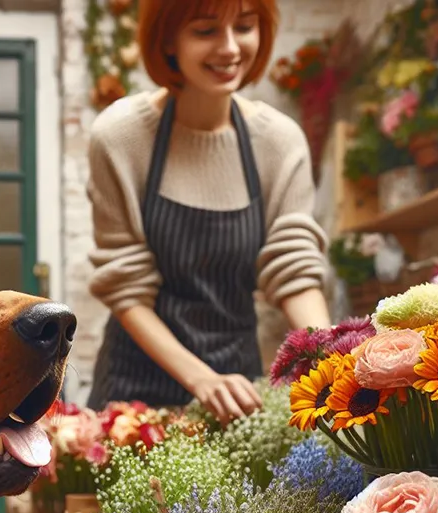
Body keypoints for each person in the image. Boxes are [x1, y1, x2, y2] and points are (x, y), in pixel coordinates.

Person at [85, 0, 333, 424]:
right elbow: (127, 289)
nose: (230, 48)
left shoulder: (278, 142)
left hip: (239, 392)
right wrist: (202, 380)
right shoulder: (122, 136)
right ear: (167, 41)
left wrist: (333, 359)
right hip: (134, 399)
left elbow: (293, 272)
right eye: (205, 31)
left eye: (245, 26)